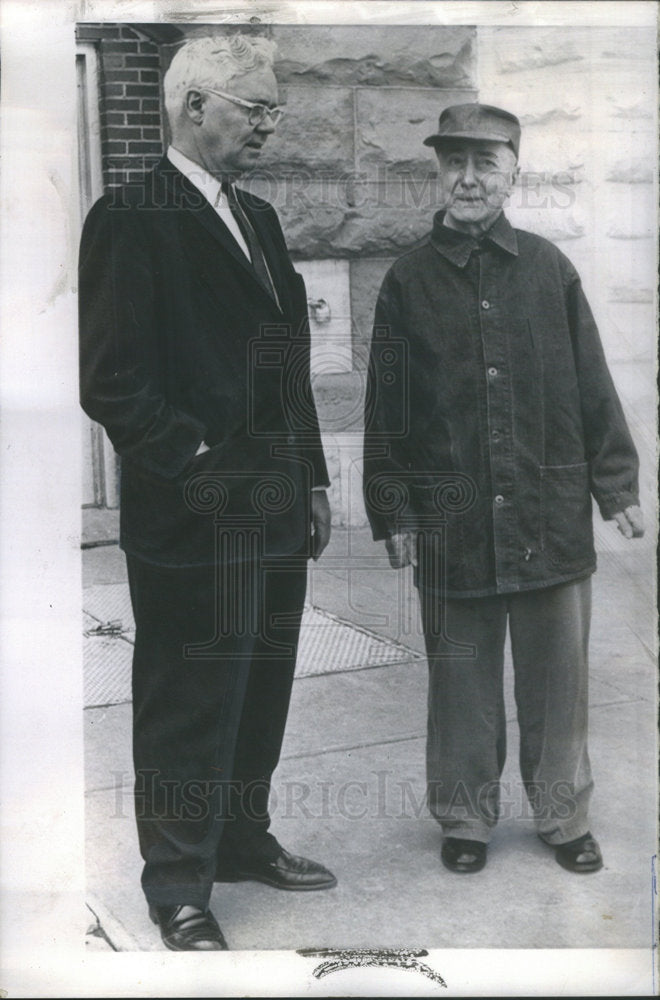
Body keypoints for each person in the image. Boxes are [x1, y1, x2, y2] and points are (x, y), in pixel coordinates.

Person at [79, 34, 336, 951]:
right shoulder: (129, 216)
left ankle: (239, 839)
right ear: (196, 106)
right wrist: (200, 465)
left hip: (273, 508)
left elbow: (286, 364)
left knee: (260, 685)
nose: (270, 124)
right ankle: (177, 883)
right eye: (255, 107)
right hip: (192, 518)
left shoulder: (258, 219)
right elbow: (113, 385)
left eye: (272, 109)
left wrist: (309, 475)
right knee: (189, 695)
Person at [363, 103, 644, 877]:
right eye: (454, 161)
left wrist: (616, 485)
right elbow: (388, 407)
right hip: (453, 518)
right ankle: (465, 817)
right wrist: (392, 506)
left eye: (486, 161)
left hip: (548, 513)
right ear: (438, 172)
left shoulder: (550, 270)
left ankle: (562, 814)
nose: (469, 176)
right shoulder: (408, 282)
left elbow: (593, 386)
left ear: (515, 171)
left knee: (558, 681)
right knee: (462, 680)